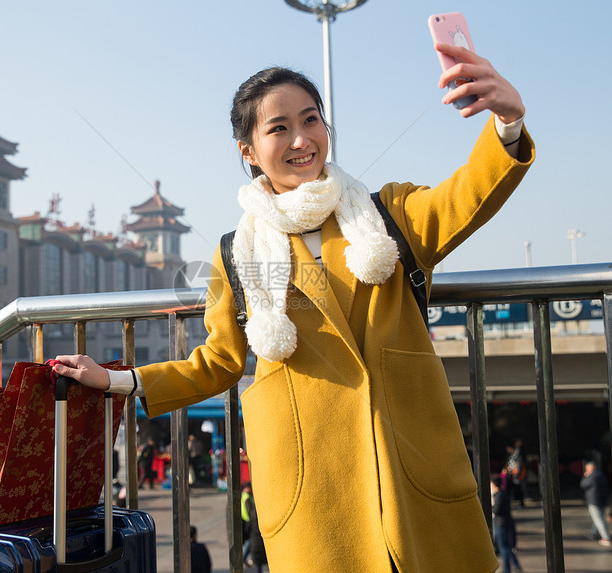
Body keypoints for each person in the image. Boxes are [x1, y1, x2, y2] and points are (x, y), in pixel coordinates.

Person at [52, 37, 533, 571]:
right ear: (249, 150)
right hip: (317, 492)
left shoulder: (390, 215)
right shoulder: (235, 254)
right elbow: (219, 362)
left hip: (410, 468)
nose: (301, 139)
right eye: (279, 127)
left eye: (312, 120)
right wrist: (117, 380)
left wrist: (507, 124)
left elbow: (466, 194)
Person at [491, 475, 523, 573]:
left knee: (504, 547)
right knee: (507, 547)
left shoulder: (498, 495)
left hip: (501, 523)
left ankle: (509, 568)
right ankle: (513, 566)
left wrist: (491, 507)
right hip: (506, 522)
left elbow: (497, 510)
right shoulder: (503, 494)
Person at [580, 461, 612, 546]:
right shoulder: (601, 474)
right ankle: (594, 533)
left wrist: (585, 476)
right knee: (598, 518)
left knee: (598, 519)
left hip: (593, 501)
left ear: (590, 469)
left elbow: (583, 485)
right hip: (602, 500)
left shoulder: (592, 476)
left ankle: (606, 538)